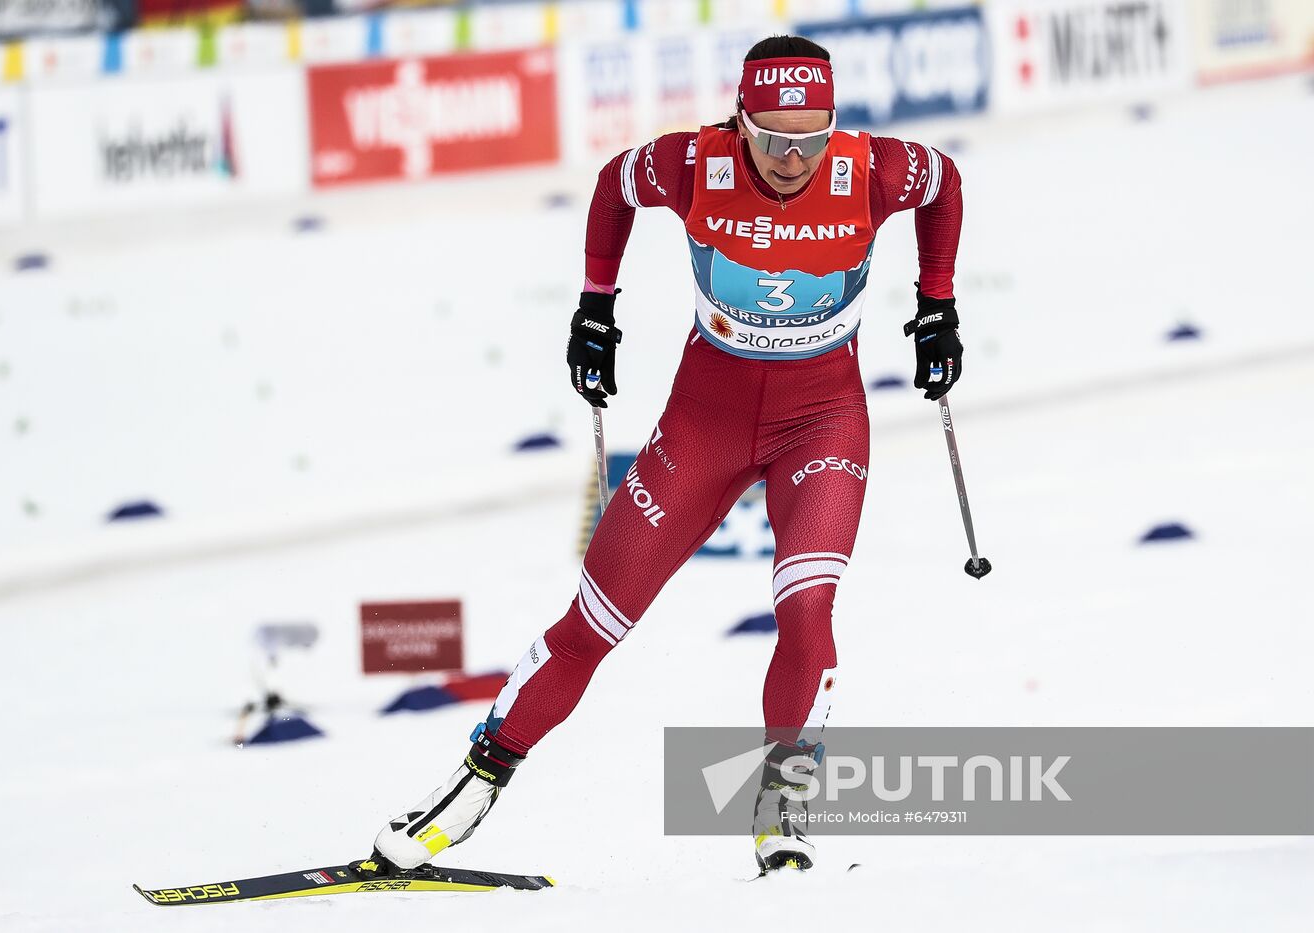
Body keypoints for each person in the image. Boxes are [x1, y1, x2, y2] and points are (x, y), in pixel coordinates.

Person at [362, 34, 965, 876]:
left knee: (807, 611)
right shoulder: (691, 164)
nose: (793, 157)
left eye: (811, 136)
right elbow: (614, 186)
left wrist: (937, 303)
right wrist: (593, 308)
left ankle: (781, 803)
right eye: (773, 137)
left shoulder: (871, 166)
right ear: (740, 120)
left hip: (822, 421)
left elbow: (944, 183)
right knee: (591, 626)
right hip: (703, 424)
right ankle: (469, 791)